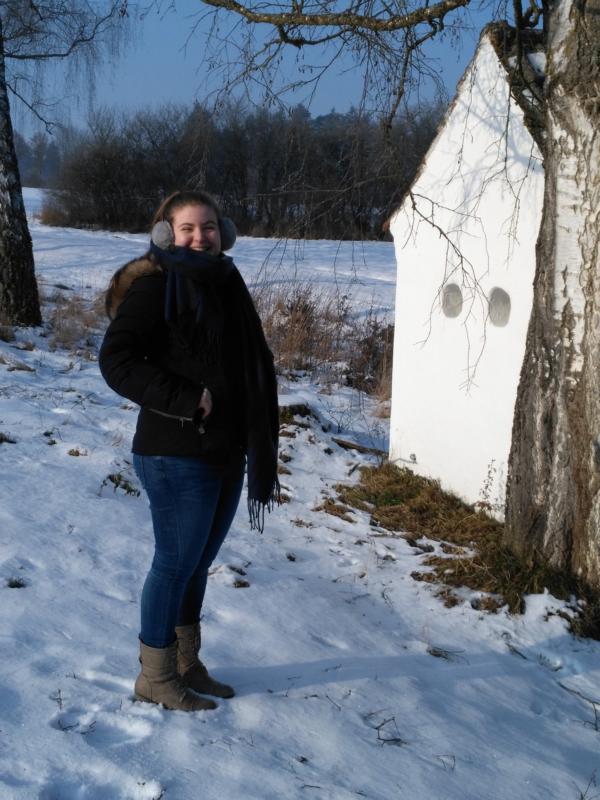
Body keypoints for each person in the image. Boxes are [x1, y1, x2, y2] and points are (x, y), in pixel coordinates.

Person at [99, 190, 279, 712]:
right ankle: (155, 676)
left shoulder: (226, 283)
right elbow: (116, 360)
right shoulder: (156, 286)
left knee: (197, 565)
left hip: (225, 449)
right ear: (165, 234)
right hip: (175, 452)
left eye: (209, 227)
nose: (201, 237)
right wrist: (185, 398)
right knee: (175, 565)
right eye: (188, 229)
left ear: (225, 232)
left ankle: (185, 662)